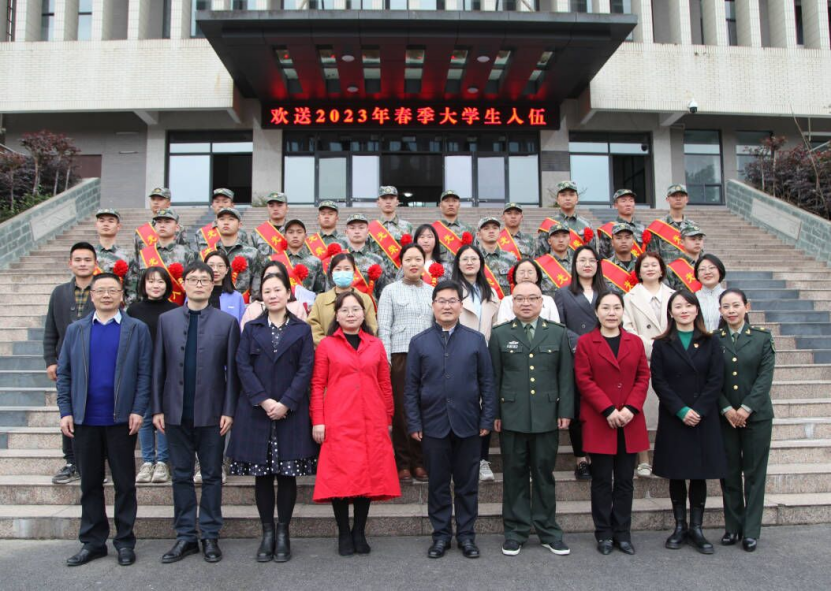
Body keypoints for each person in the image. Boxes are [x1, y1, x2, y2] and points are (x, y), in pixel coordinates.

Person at [57, 272, 151, 567]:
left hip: (121, 420)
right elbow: (64, 374)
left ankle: (124, 541)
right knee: (90, 484)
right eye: (101, 290)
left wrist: (138, 409)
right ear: (92, 295)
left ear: (122, 295)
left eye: (113, 290)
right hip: (85, 420)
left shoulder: (136, 329)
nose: (107, 295)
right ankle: (93, 542)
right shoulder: (76, 330)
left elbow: (145, 373)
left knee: (125, 484)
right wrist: (65, 411)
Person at [152, 261, 240, 564]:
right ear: (183, 283)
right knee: (181, 475)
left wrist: (229, 409)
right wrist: (157, 408)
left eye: (205, 279)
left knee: (212, 475)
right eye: (194, 279)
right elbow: (158, 367)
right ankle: (186, 536)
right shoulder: (166, 320)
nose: (199, 284)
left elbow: (233, 372)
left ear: (213, 284)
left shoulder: (226, 323)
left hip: (213, 413)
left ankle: (211, 535)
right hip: (175, 411)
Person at [228, 271, 317, 563]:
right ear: (261, 296)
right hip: (257, 410)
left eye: (278, 290)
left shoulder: (301, 329)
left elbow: (306, 368)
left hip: (291, 411)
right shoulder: (251, 327)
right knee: (263, 476)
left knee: (287, 475)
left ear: (288, 293)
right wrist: (265, 400)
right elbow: (242, 366)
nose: (273, 295)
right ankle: (267, 532)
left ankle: (283, 532)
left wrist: (286, 402)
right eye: (267, 291)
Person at [405, 280, 496, 560]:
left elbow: (487, 383)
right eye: (441, 301)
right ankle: (441, 536)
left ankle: (466, 536)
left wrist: (487, 418)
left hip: (469, 424)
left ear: (460, 305)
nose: (447, 306)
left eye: (452, 301)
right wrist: (414, 423)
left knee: (467, 485)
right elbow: (411, 388)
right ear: (433, 305)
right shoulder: (419, 342)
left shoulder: (475, 340)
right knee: (438, 484)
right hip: (433, 426)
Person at [311, 291, 400, 556]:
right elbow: (317, 385)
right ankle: (343, 533)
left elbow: (385, 384)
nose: (351, 314)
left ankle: (359, 532)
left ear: (364, 314)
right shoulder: (327, 345)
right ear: (336, 316)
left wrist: (388, 418)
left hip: (372, 419)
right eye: (345, 310)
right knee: (340, 478)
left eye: (356, 309)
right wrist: (318, 420)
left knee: (367, 476)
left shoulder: (375, 345)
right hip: (338, 420)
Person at [489, 282, 574, 557]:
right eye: (520, 299)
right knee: (514, 475)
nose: (526, 303)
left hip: (547, 416)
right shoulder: (500, 334)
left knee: (543, 475)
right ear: (512, 303)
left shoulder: (558, 333)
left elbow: (565, 376)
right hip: (512, 416)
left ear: (542, 302)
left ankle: (549, 531)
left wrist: (565, 411)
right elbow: (494, 378)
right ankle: (515, 532)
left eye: (532, 298)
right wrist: (495, 414)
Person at [574, 292, 650, 556]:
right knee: (602, 480)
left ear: (622, 311)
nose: (611, 313)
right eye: (605, 308)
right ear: (597, 312)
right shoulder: (586, 342)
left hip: (630, 420)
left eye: (616, 308)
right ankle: (604, 533)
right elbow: (584, 379)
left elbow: (643, 377)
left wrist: (630, 408)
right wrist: (608, 409)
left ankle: (623, 533)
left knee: (625, 481)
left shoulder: (635, 342)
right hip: (600, 420)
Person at [651, 290, 726, 555]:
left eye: (688, 306)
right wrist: (681, 410)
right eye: (678, 306)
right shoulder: (662, 344)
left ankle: (697, 528)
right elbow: (659, 381)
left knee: (698, 472)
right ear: (670, 312)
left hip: (703, 416)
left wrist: (699, 410)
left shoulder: (710, 341)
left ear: (697, 310)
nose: (684, 310)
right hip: (675, 416)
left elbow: (716, 379)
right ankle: (680, 526)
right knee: (677, 471)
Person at [716, 289, 775, 552]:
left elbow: (765, 378)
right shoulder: (714, 340)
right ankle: (732, 527)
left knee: (754, 474)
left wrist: (746, 408)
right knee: (729, 473)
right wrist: (727, 408)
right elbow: (712, 379)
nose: (731, 311)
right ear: (720, 310)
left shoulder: (762, 338)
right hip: (725, 417)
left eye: (736, 305)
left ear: (746, 307)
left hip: (757, 417)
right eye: (726, 306)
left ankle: (751, 531)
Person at [377, 243, 434, 482]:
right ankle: (402, 462)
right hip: (400, 356)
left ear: (424, 262)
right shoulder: (390, 291)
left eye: (418, 259)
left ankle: (420, 461)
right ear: (401, 263)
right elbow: (384, 327)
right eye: (408, 259)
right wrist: (386, 360)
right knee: (402, 410)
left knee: (425, 407)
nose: (413, 263)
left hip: (429, 357)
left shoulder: (432, 291)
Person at [44, 242, 96, 485]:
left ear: (95, 263)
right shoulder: (59, 293)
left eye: (87, 259)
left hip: (96, 362)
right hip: (67, 363)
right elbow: (50, 329)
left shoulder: (103, 289)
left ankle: (94, 464)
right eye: (78, 260)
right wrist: (50, 360)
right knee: (68, 411)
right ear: (70, 263)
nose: (82, 264)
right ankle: (71, 461)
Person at [555, 245, 608, 481]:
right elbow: (560, 326)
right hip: (576, 355)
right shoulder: (563, 293)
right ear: (574, 265)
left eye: (591, 260)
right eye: (582, 260)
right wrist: (583, 343)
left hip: (605, 356)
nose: (587, 265)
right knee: (577, 409)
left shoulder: (608, 292)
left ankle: (599, 456)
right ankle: (580, 459)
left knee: (600, 406)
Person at [622, 252, 675, 477]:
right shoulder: (629, 297)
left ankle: (669, 456)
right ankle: (643, 458)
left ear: (662, 269)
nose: (650, 268)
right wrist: (653, 347)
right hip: (643, 358)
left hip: (672, 359)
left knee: (670, 408)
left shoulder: (674, 296)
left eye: (654, 265)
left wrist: (667, 348)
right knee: (642, 410)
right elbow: (628, 329)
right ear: (639, 271)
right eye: (645, 266)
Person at [127, 267, 179, 484]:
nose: (155, 285)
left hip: (168, 370)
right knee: (146, 415)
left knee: (164, 416)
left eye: (160, 281)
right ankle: (148, 461)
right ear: (143, 285)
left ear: (167, 285)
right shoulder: (133, 310)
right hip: (143, 369)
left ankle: (163, 462)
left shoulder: (175, 310)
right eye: (151, 281)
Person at [308, 253, 378, 346]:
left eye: (347, 269)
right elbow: (312, 325)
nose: (342, 272)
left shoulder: (365, 299)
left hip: (358, 350)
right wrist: (328, 345)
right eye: (338, 269)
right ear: (331, 273)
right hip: (327, 350)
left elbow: (371, 327)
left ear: (354, 272)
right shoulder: (321, 299)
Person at [133, 208, 194, 305]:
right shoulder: (143, 254)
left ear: (177, 227)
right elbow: (134, 283)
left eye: (167, 222)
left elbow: (192, 284)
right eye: (159, 222)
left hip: (177, 307)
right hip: (147, 307)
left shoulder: (187, 253)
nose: (162, 225)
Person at [241, 260, 308, 329]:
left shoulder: (297, 307)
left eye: (277, 275)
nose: (272, 278)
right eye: (268, 275)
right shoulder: (252, 309)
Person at [212, 207, 262, 298]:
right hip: (214, 302)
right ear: (216, 223)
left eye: (231, 219)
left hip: (243, 303)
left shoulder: (252, 253)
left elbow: (257, 285)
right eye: (222, 219)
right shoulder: (208, 253)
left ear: (239, 225)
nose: (226, 222)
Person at [536, 180, 592, 258]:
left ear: (577, 199)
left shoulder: (586, 224)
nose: (568, 198)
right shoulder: (548, 224)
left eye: (571, 195)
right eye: (563, 195)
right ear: (557, 200)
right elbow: (541, 256)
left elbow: (592, 254)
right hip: (555, 265)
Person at [645, 184, 698, 265]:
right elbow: (653, 257)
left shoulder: (693, 226)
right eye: (674, 196)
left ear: (687, 199)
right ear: (667, 199)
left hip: (689, 272)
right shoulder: (658, 226)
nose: (678, 198)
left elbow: (698, 254)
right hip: (666, 272)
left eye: (681, 196)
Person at [496, 259, 560, 324]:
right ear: (515, 277)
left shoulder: (548, 301)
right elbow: (502, 326)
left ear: (537, 277)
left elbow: (555, 326)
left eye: (530, 272)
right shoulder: (507, 301)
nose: (526, 276)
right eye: (522, 272)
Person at [342, 213, 389, 300]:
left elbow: (383, 291)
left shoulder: (377, 260)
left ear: (368, 232)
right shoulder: (338, 259)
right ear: (346, 232)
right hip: (343, 305)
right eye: (352, 228)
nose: (357, 231)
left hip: (369, 306)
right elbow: (330, 288)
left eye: (361, 228)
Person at [133, 187, 189, 260]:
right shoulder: (141, 232)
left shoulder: (179, 229)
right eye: (153, 199)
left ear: (168, 203)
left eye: (160, 199)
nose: (156, 202)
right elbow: (137, 257)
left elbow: (185, 254)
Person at [92, 208, 135, 302]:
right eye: (101, 221)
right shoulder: (88, 255)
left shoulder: (126, 256)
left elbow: (132, 290)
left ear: (118, 226)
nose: (106, 224)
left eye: (111, 221)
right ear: (96, 225)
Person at [277, 218, 326, 294]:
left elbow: (320, 291)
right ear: (285, 236)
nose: (295, 236)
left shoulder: (315, 262)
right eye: (291, 232)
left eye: (299, 232)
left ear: (305, 236)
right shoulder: (276, 261)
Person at [193, 188, 249, 252]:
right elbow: (196, 256)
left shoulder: (240, 232)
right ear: (212, 205)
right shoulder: (201, 233)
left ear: (232, 205)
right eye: (217, 202)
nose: (221, 205)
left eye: (225, 202)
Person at [596, 189, 645, 260]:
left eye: (631, 201)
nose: (628, 204)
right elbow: (603, 258)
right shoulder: (608, 229)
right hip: (615, 266)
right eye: (623, 201)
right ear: (615, 205)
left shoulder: (642, 229)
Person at [475, 217, 517, 298]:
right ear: (478, 234)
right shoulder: (473, 258)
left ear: (500, 233)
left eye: (495, 228)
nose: (491, 231)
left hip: (504, 303)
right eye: (486, 229)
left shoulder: (511, 258)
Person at [203, 250, 246, 325]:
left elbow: (241, 325)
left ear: (227, 270)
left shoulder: (237, 297)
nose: (215, 270)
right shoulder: (195, 293)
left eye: (220, 266)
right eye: (211, 266)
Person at [433, 190, 475, 264]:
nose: (451, 204)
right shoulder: (432, 229)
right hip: (440, 270)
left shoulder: (469, 229)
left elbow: (475, 253)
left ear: (459, 205)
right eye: (446, 201)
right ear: (440, 206)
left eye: (454, 201)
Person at [535, 220, 573, 298]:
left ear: (570, 240)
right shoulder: (539, 265)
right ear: (549, 241)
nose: (561, 240)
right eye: (556, 236)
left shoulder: (578, 263)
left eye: (564, 236)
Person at [601, 223, 639, 296]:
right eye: (618, 238)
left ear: (633, 241)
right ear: (612, 242)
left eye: (627, 237)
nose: (623, 241)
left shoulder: (641, 265)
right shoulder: (603, 267)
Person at [666, 225, 706, 292]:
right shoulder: (672, 269)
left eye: (700, 239)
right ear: (682, 242)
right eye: (693, 239)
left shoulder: (709, 265)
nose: (697, 242)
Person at [251, 192, 289, 257]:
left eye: (279, 205)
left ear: (287, 208)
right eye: (271, 206)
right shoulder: (258, 233)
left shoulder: (294, 231)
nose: (275, 209)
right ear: (267, 208)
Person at [695, 254, 727, 332]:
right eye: (702, 269)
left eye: (712, 268)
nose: (707, 272)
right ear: (697, 275)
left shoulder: (730, 296)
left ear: (720, 271)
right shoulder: (692, 298)